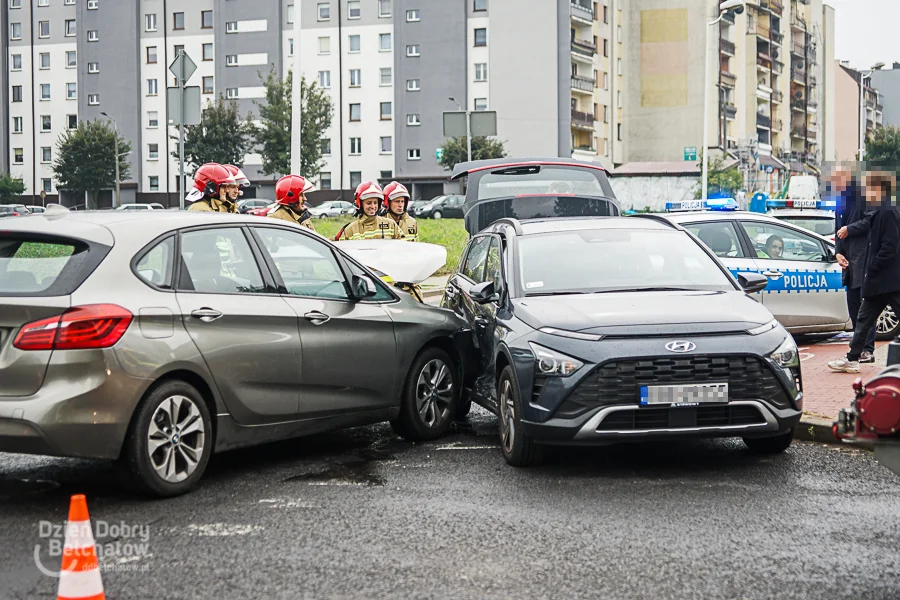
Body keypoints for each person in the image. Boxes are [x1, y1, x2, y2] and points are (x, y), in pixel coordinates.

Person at [828, 173, 899, 373]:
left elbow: (890, 246)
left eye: (869, 187)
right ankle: (853, 358)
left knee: (864, 317)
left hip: (889, 279)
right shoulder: (879, 210)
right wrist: (840, 252)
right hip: (878, 280)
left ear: (879, 189)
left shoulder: (888, 211)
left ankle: (856, 355)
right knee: (863, 319)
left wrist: (873, 266)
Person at [833, 165, 876, 362]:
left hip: (863, 259)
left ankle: (868, 349)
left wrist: (849, 229)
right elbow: (837, 230)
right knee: (853, 305)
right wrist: (838, 253)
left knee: (865, 307)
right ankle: (857, 348)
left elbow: (869, 222)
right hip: (848, 263)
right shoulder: (839, 202)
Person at [334, 182, 402, 241]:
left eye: (375, 203)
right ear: (360, 204)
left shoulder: (391, 225)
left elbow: (403, 247)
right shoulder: (350, 229)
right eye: (369, 203)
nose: (372, 206)